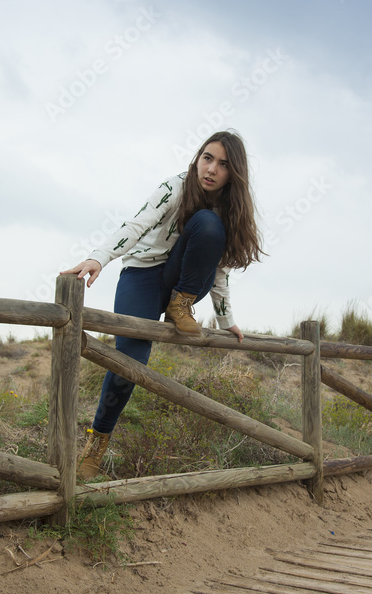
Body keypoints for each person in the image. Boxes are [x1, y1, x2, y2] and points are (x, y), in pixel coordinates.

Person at [60, 130, 265, 479]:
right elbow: (136, 225)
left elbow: (220, 270)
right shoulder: (175, 187)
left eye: (223, 164)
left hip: (182, 284)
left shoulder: (228, 211)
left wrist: (225, 318)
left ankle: (180, 306)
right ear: (197, 158)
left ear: (235, 173)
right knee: (129, 365)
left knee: (209, 224)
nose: (211, 169)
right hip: (142, 276)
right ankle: (96, 444)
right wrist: (98, 258)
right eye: (207, 158)